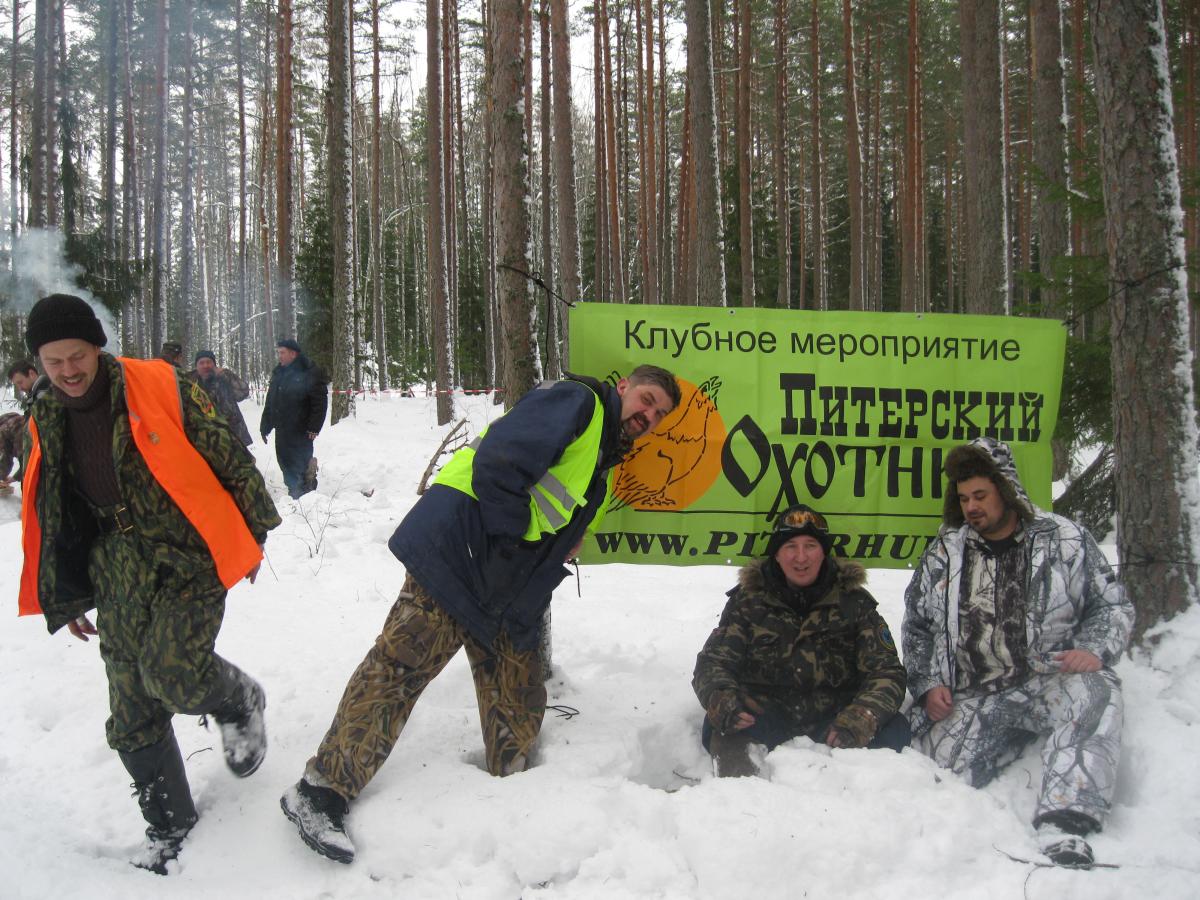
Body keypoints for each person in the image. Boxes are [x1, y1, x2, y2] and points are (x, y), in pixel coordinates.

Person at [280, 365, 681, 864]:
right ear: (624, 387)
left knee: (518, 693)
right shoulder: (578, 403)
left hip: (505, 583)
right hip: (463, 550)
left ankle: (513, 799)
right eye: (647, 400)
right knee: (400, 668)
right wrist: (512, 541)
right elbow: (498, 464)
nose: (649, 415)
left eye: (659, 414)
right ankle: (320, 791)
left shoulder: (606, 454)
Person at [18, 293, 282, 874]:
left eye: (77, 355)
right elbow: (54, 509)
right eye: (54, 361)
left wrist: (253, 530)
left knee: (173, 673)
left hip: (187, 549)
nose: (68, 370)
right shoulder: (44, 414)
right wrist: (66, 593)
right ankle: (168, 824)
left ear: (96, 346)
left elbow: (227, 453)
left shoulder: (158, 384)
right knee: (131, 705)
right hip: (113, 563)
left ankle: (238, 699)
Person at [901, 436, 1133, 869]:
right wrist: (928, 684)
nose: (971, 507)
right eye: (964, 498)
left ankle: (1066, 822)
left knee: (1097, 690)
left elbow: (1111, 605)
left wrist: (1093, 649)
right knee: (928, 779)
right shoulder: (945, 553)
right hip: (977, 691)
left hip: (1050, 680)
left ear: (1005, 490)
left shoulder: (1064, 539)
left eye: (980, 495)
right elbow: (917, 627)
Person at [692, 504, 909, 777]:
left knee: (894, 728)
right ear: (777, 555)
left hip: (835, 723)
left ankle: (853, 790)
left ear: (824, 552)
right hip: (765, 718)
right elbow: (713, 663)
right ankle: (744, 790)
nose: (801, 557)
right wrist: (724, 701)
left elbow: (886, 671)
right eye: (790, 547)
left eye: (810, 546)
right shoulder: (747, 602)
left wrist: (862, 715)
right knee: (720, 723)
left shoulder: (854, 603)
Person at [260, 338, 328, 499]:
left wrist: (314, 427)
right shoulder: (278, 372)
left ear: (293, 354)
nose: (280, 356)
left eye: (282, 353)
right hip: (282, 428)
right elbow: (271, 401)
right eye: (279, 353)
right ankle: (296, 489)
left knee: (299, 462)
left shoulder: (309, 371)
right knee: (284, 461)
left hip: (301, 429)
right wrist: (265, 425)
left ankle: (303, 492)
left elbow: (319, 402)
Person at [190, 349, 254, 446]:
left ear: (214, 365)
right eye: (201, 363)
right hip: (204, 437)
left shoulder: (224, 378)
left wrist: (227, 374)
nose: (205, 366)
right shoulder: (191, 383)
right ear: (196, 366)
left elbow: (243, 393)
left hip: (231, 433)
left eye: (209, 362)